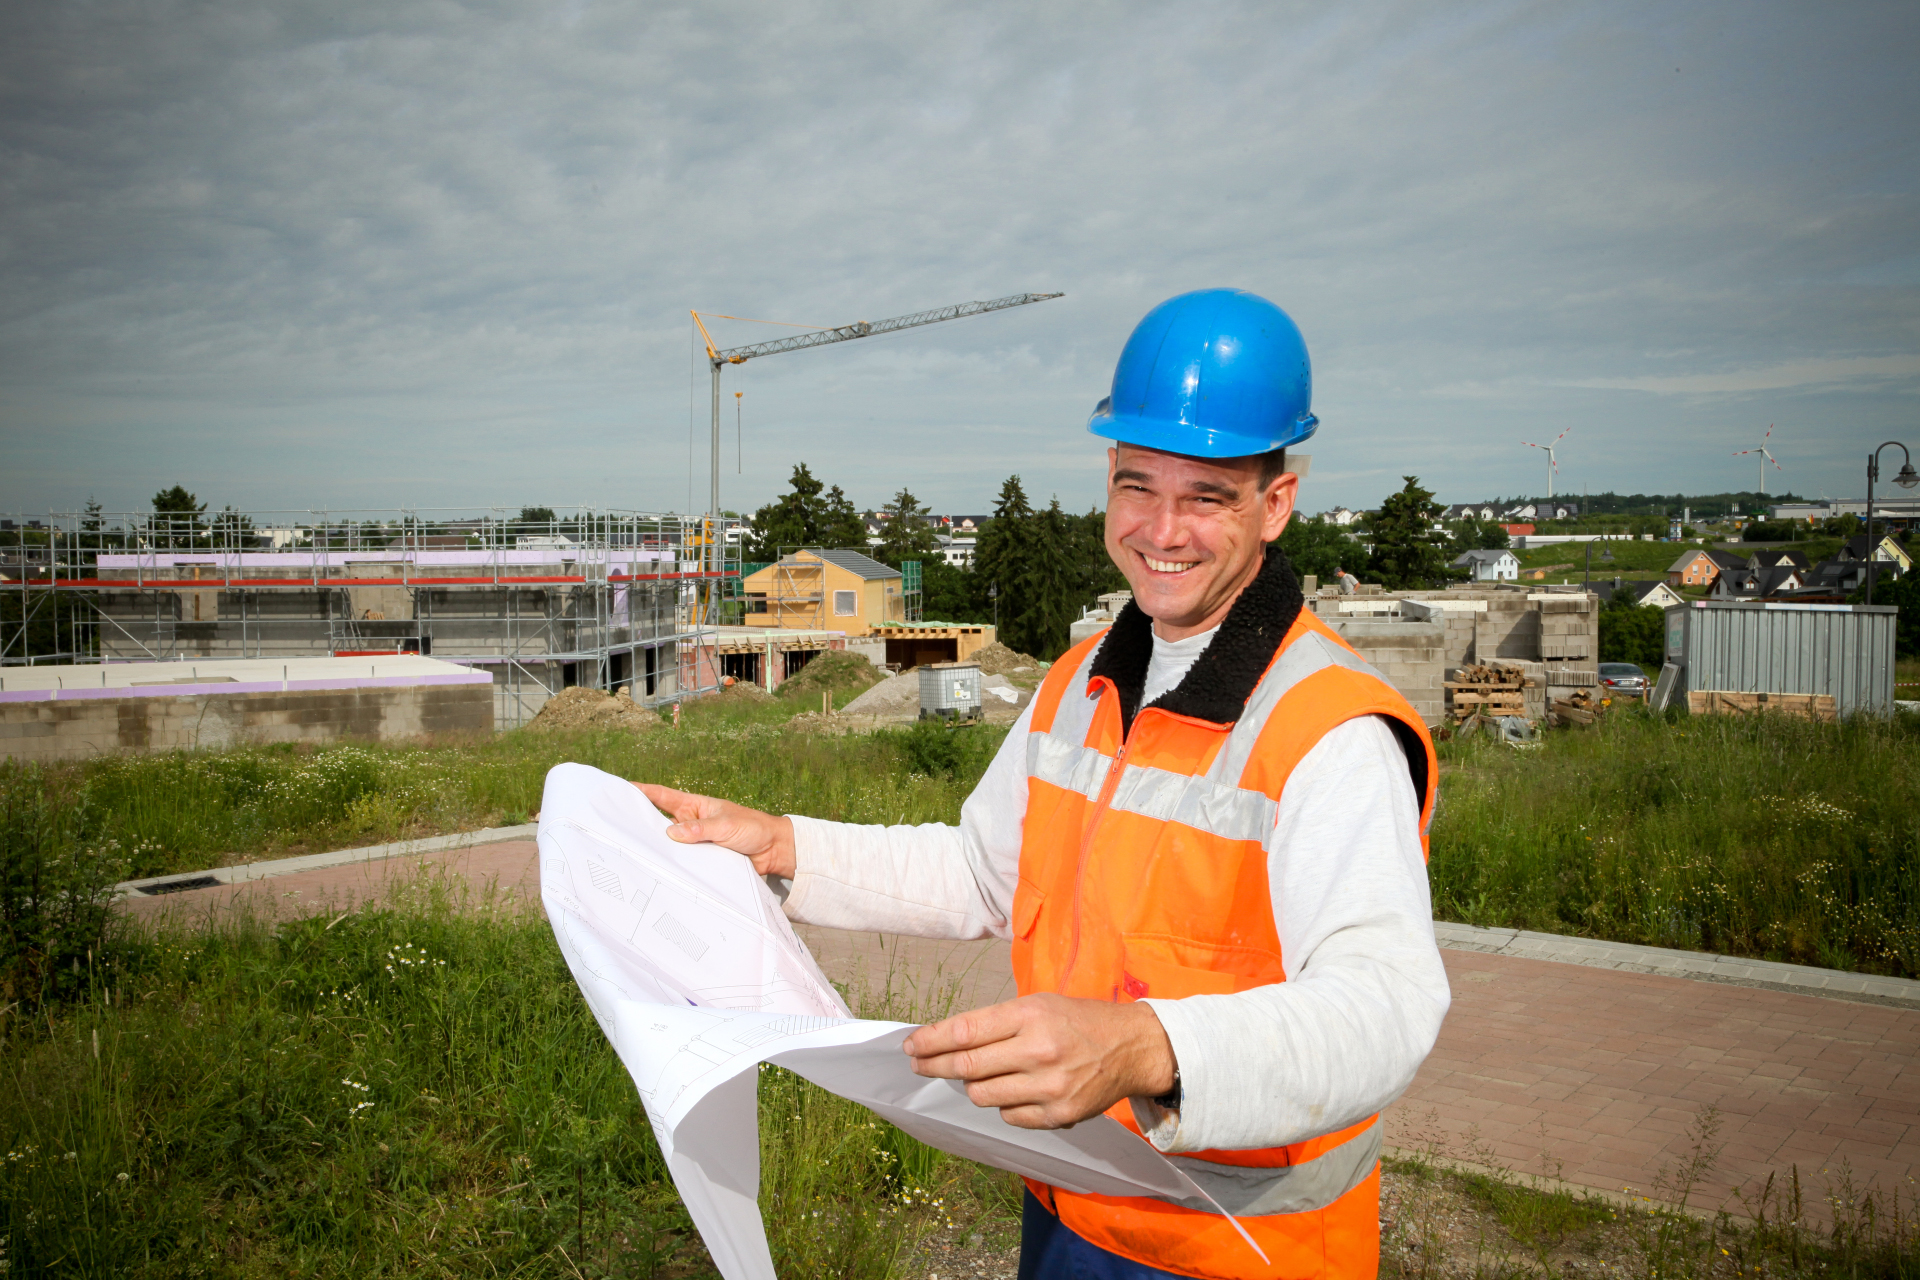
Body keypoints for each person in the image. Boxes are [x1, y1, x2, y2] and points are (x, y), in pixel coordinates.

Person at [639, 288, 1449, 1280]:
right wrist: (785, 846)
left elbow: (1386, 1006)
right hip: (1073, 1204)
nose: (1163, 529)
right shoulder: (1078, 684)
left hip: (1242, 1243)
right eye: (1136, 485)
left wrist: (1148, 1043)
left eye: (1207, 496)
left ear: (1275, 504)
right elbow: (984, 873)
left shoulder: (1328, 729)